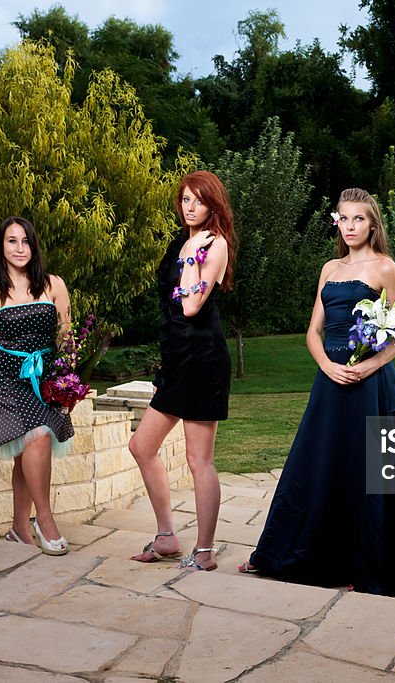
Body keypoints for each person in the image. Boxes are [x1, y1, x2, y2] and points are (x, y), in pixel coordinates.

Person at [238, 188, 395, 596]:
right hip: (329, 381)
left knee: (362, 472)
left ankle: (363, 560)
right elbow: (313, 331)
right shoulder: (329, 268)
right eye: (343, 219)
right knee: (315, 465)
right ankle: (282, 551)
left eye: (358, 219)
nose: (350, 227)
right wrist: (327, 366)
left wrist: (368, 365)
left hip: (369, 385)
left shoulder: (386, 268)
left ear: (372, 224)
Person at [129, 170, 236, 572]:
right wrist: (187, 248)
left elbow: (191, 306)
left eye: (198, 200)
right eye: (185, 200)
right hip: (177, 360)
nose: (189, 207)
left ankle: (205, 551)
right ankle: (167, 537)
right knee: (141, 446)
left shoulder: (215, 245)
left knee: (198, 460)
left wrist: (192, 254)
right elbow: (171, 304)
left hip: (203, 359)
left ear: (213, 205)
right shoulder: (184, 240)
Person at [0, 216, 74, 556]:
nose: (19, 248)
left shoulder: (54, 285)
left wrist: (68, 383)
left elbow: (67, 337)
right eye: (12, 241)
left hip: (44, 377)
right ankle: (45, 522)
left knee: (27, 452)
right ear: (1, 246)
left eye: (25, 241)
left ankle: (18, 528)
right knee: (38, 436)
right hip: (5, 378)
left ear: (34, 245)